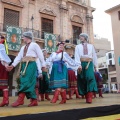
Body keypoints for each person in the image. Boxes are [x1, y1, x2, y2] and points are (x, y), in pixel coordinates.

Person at [6, 31, 46, 107]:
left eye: (24, 37)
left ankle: (20, 100)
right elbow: (19, 57)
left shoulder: (34, 45)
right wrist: (13, 65)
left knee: (26, 80)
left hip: (31, 64)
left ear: (27, 37)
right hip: (24, 65)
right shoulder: (23, 47)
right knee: (27, 81)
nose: (23, 38)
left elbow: (40, 55)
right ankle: (34, 100)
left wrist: (43, 65)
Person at [75, 33, 98, 104]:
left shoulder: (91, 46)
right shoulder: (77, 47)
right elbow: (77, 56)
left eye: (81, 36)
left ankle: (89, 97)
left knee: (90, 78)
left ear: (85, 37)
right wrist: (78, 65)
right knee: (82, 79)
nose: (80, 38)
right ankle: (86, 95)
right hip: (81, 63)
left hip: (89, 63)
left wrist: (95, 65)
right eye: (80, 37)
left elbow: (94, 56)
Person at [0, 35, 11, 107]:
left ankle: (5, 100)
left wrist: (5, 63)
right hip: (3, 64)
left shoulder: (1, 45)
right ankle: (6, 100)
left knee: (3, 82)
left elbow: (2, 55)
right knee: (3, 83)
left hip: (1, 64)